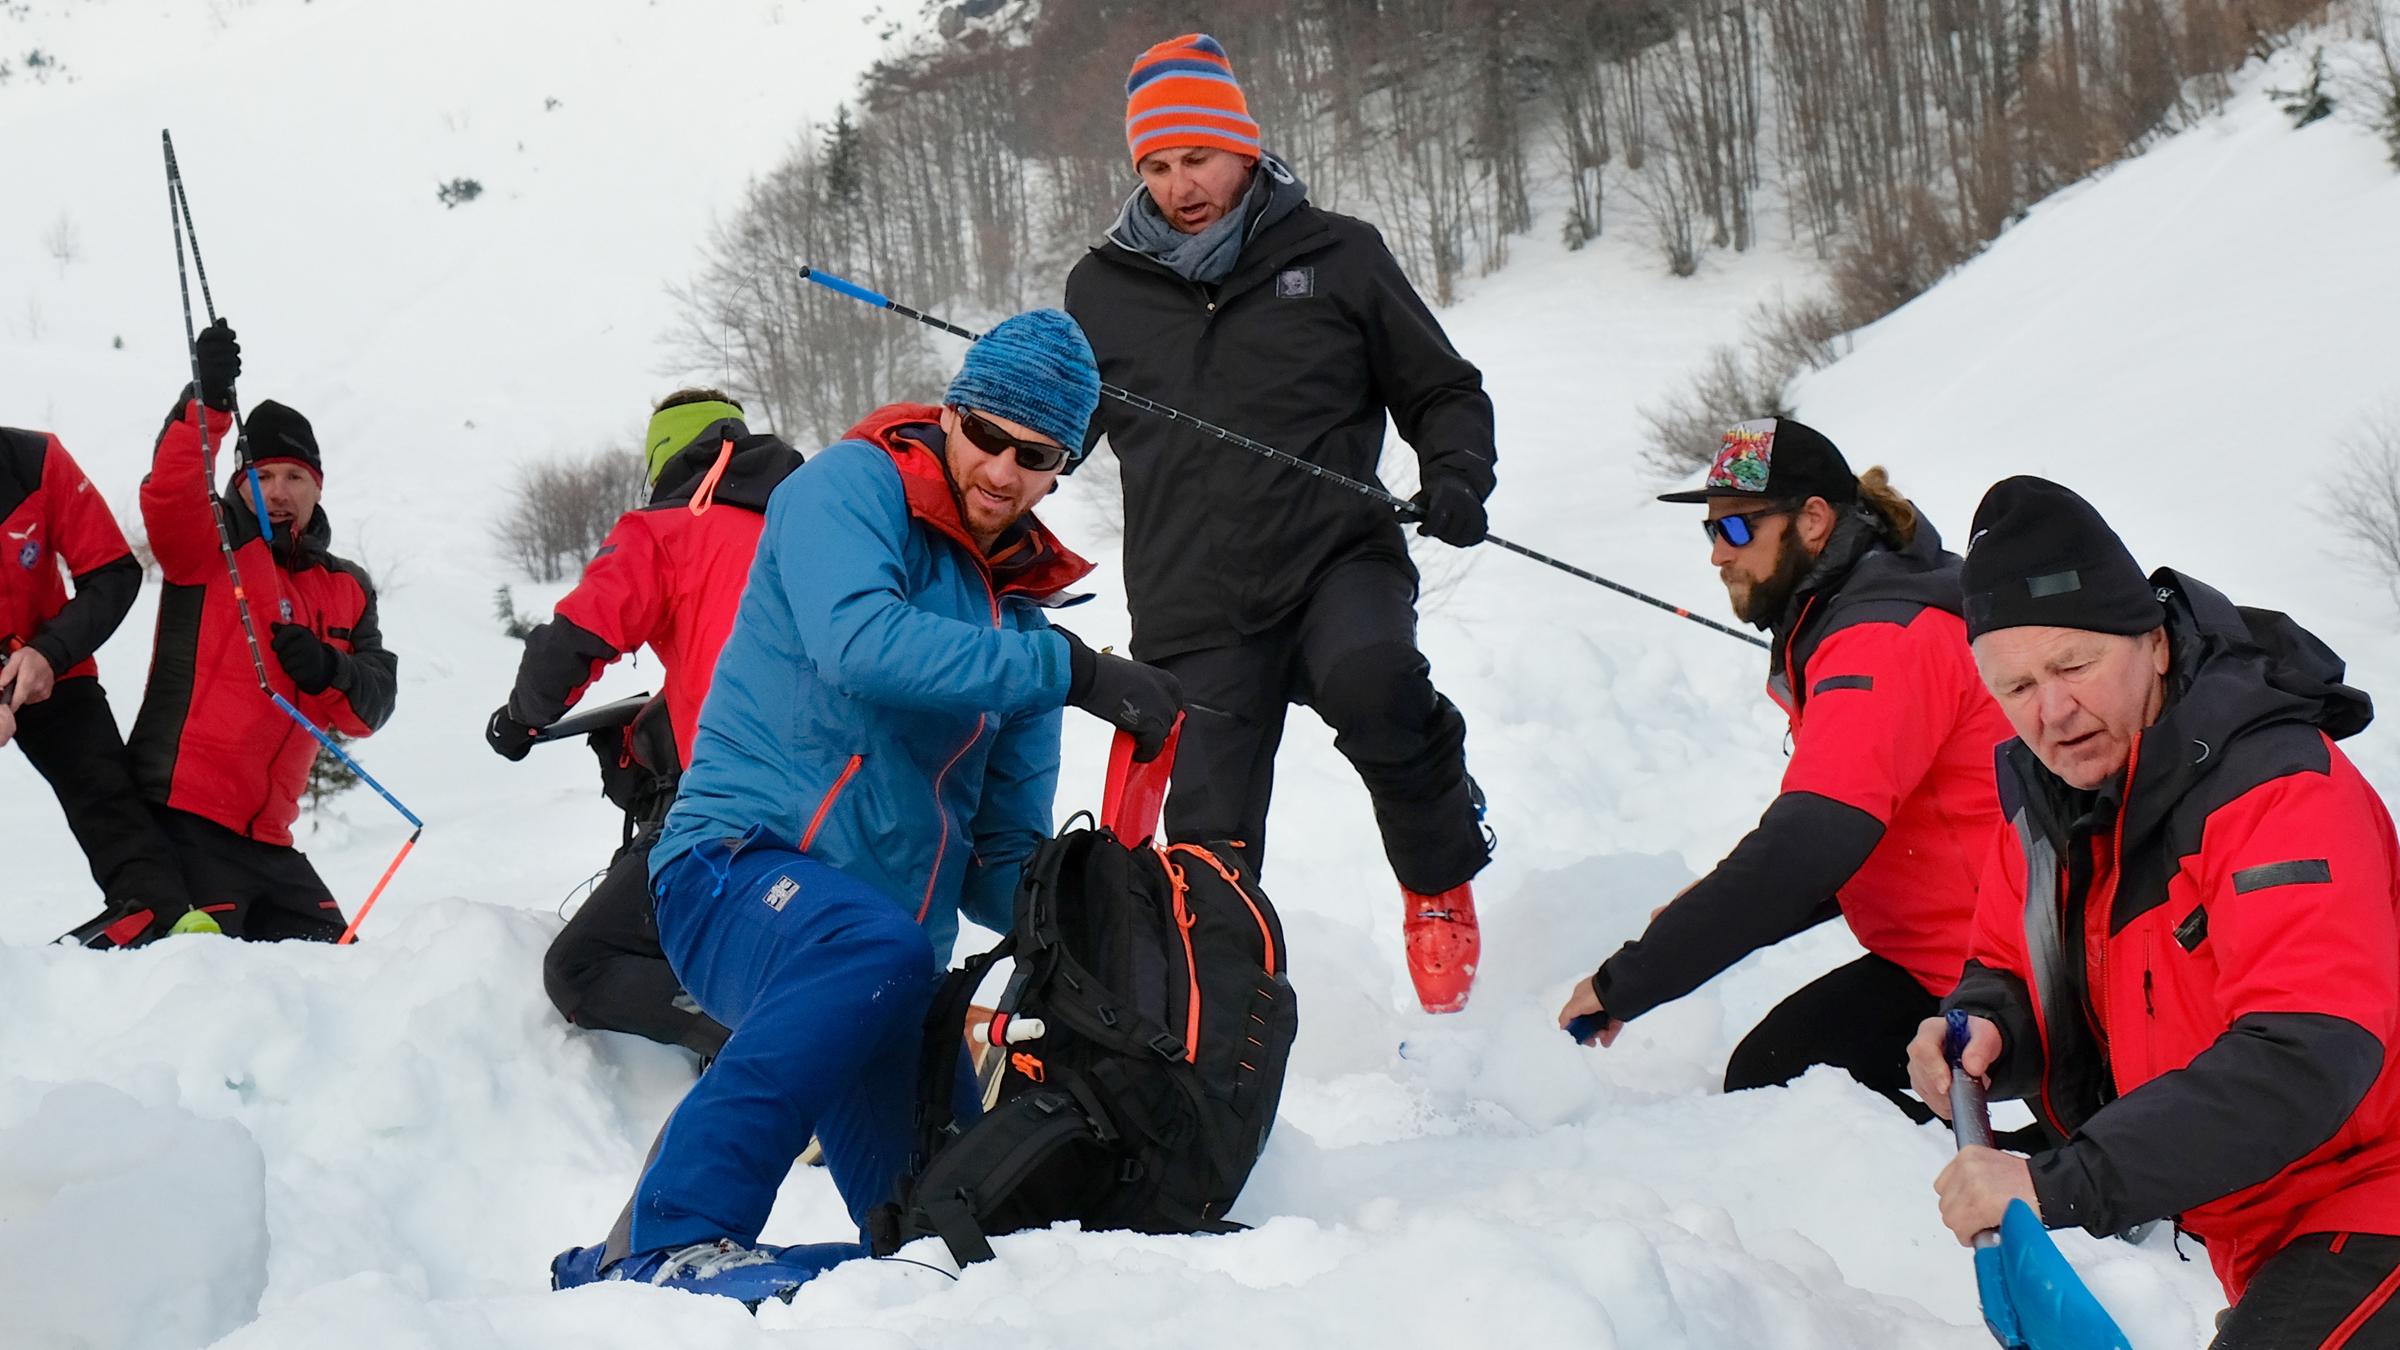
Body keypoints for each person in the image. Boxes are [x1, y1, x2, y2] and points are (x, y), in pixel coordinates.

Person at [550, 309, 1185, 1302]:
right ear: (952, 414)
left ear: (1059, 470)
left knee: (946, 1243)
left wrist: (1096, 900)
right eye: (987, 435)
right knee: (867, 946)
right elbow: (860, 644)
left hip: (887, 964)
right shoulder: (849, 488)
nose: (1002, 471)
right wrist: (1072, 671)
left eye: (1035, 455)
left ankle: (609, 1281)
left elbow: (996, 861)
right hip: (732, 868)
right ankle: (671, 1239)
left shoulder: (1020, 625)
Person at [1064, 33, 1498, 1014]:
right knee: (1205, 847)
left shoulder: (1338, 255)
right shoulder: (1101, 290)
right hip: (1192, 601)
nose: (1180, 185)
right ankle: (1215, 1027)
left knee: (1375, 682)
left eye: (1198, 158)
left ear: (1246, 149)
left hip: (1335, 558)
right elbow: (1054, 433)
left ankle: (1438, 875)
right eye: (1157, 166)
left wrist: (1459, 474)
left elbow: (1441, 388)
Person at [1910, 476, 2400, 1345]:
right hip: (2274, 1226)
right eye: (2015, 686)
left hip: (2374, 1195)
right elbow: (2011, 967)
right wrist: (1988, 1029)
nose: (2052, 712)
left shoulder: (2277, 791)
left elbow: (2307, 1051)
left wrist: (2060, 1183)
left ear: (2156, 643)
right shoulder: (2054, 807)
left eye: (2074, 665)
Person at [1556, 419, 2011, 1117]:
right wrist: (1708, 914)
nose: (1718, 554)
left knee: (1779, 1089)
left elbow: (1809, 845)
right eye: (1710, 531)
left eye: (1737, 529)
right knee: (1776, 1073)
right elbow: (1836, 843)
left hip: (2009, 968)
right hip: (1951, 953)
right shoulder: (1857, 615)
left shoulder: (1880, 639)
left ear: (1814, 521)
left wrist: (1629, 982)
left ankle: (2041, 1167)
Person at [487, 390, 804, 1057]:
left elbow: (573, 643)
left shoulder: (667, 529)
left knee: (582, 968)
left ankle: (779, 1043)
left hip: (742, 810)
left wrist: (520, 719)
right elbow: (729, 656)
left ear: (662, 463)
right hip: (851, 804)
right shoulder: (809, 526)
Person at [129, 320, 399, 941]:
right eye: (263, 475)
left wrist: (331, 670)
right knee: (205, 977)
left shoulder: (348, 585)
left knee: (346, 972)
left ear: (317, 487)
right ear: (239, 483)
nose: (277, 491)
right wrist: (206, 402)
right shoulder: (212, 541)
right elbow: (170, 494)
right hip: (182, 819)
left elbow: (372, 706)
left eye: (294, 477)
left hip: (271, 840)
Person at [1, 423, 198, 942]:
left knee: (110, 799)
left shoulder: (35, 458)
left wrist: (50, 652)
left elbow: (113, 571)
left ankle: (164, 924)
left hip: (51, 666)